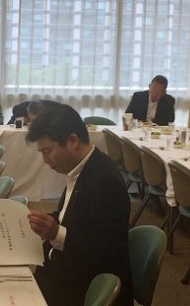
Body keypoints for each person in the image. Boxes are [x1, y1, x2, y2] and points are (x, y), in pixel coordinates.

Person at [26, 104, 132, 305]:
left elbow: (107, 251)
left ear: (73, 141)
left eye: (47, 151)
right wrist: (43, 221)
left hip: (83, 288)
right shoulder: (82, 168)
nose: (45, 160)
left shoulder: (105, 181)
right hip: (67, 270)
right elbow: (72, 215)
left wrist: (56, 233)